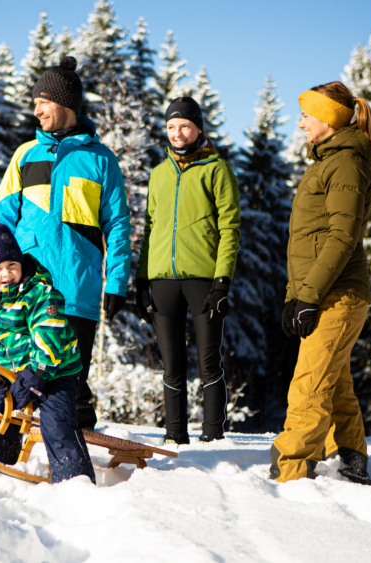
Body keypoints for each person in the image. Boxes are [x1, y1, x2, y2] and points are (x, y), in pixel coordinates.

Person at [0, 56, 131, 430]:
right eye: (35, 101)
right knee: (16, 376)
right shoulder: (25, 155)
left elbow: (118, 225)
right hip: (28, 289)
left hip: (76, 288)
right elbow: (0, 221)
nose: (35, 109)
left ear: (66, 104)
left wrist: (117, 282)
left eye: (43, 101)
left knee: (69, 381)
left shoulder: (101, 161)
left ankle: (78, 451)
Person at [270, 81, 371, 485]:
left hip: (340, 293)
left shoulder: (346, 163)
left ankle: (291, 470)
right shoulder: (328, 162)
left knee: (310, 385)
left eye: (305, 116)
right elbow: (307, 240)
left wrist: (308, 296)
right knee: (334, 382)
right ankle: (351, 460)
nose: (300, 125)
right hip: (324, 292)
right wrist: (294, 296)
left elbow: (341, 237)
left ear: (328, 120)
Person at [135, 97, 241, 445]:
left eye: (184, 126)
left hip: (203, 280)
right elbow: (151, 228)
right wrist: (140, 279)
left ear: (198, 128)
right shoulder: (159, 174)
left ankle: (213, 435)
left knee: (209, 363)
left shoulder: (217, 169)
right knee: (172, 365)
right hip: (163, 280)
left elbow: (230, 227)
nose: (177, 134)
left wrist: (222, 281)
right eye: (171, 127)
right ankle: (174, 435)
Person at [0, 208, 96, 484]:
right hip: (24, 374)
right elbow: (2, 346)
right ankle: (2, 468)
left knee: (56, 424)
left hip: (57, 372)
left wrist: (36, 374)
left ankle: (74, 481)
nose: (6, 274)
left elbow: (49, 336)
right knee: (0, 412)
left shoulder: (40, 292)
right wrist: (3, 378)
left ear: (20, 263)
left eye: (11, 266)